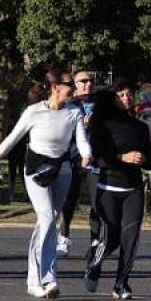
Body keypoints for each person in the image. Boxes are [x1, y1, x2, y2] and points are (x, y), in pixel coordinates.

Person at [0, 68, 92, 299]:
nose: (74, 89)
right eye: (69, 85)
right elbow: (12, 139)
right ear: (55, 87)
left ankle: (43, 278)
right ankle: (41, 280)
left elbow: (81, 138)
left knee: (49, 222)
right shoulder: (33, 112)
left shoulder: (74, 111)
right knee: (47, 219)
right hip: (36, 171)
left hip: (61, 170)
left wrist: (86, 153)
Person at [83, 88, 151, 299]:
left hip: (133, 188)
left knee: (130, 238)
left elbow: (147, 160)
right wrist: (123, 158)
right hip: (108, 187)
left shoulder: (140, 126)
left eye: (129, 94)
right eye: (120, 95)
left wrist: (149, 160)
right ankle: (94, 264)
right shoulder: (101, 125)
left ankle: (121, 284)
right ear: (111, 100)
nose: (126, 98)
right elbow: (99, 158)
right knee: (111, 238)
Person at [56, 69, 101, 257]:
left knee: (97, 203)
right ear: (74, 85)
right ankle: (63, 238)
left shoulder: (101, 104)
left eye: (90, 80)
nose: (87, 84)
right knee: (68, 201)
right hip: (72, 159)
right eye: (82, 81)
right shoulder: (69, 105)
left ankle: (95, 242)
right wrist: (80, 125)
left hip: (95, 161)